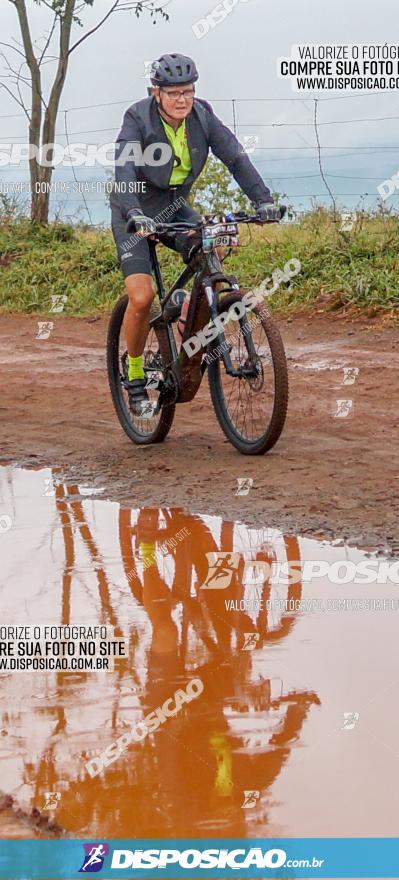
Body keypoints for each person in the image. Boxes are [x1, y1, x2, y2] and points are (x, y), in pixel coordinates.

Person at [111, 52, 280, 416]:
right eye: (173, 93)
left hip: (175, 206)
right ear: (156, 93)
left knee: (211, 253)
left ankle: (187, 317)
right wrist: (135, 213)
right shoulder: (137, 118)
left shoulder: (201, 115)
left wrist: (263, 201)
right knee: (141, 298)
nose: (182, 99)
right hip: (134, 208)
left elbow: (234, 157)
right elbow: (124, 168)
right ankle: (136, 372)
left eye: (187, 91)